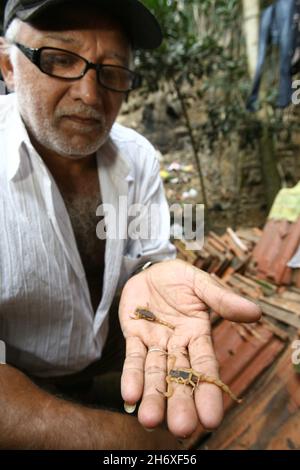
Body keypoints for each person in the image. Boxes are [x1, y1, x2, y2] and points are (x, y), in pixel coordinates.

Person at [0, 0, 261, 450]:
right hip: (25, 382)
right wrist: (137, 446)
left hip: (117, 360)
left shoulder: (136, 158)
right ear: (7, 64)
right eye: (60, 59)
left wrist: (152, 273)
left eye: (113, 70)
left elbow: (149, 256)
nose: (89, 94)